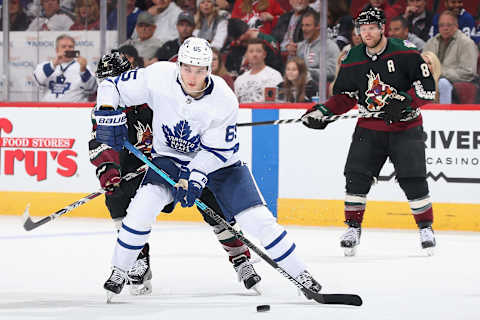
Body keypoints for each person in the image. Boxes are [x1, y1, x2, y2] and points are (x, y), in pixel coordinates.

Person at [94, 37, 321, 301]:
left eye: (199, 70)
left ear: (209, 69)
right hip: (168, 159)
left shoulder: (224, 98)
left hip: (221, 166)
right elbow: (111, 85)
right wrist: (107, 110)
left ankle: (301, 273)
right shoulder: (158, 76)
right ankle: (119, 269)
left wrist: (195, 178)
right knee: (140, 210)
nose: (192, 76)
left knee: (258, 221)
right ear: (178, 64)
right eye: (187, 68)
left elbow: (215, 152)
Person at [91, 49, 262, 296]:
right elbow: (101, 143)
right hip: (134, 169)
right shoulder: (104, 109)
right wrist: (108, 170)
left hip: (173, 161)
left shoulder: (152, 96)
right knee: (117, 198)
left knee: (211, 198)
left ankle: (240, 258)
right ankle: (136, 259)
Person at [301, 7, 437, 257]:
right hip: (369, 126)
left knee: (413, 177)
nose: (367, 33)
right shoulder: (353, 57)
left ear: (382, 28)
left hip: (405, 126)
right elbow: (345, 97)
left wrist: (405, 103)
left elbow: (427, 88)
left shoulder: (406, 51)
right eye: (362, 29)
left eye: (372, 28)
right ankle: (353, 227)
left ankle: (425, 228)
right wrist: (322, 112)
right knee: (356, 176)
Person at [423, 10, 478, 104]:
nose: (445, 28)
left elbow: (469, 72)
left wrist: (440, 73)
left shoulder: (467, 43)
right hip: (434, 79)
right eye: (441, 25)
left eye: (449, 25)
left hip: (457, 82)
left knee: (443, 83)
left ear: (456, 26)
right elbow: (423, 64)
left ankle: (445, 112)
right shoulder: (431, 42)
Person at [33, 34, 97, 102]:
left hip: (74, 110)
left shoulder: (83, 66)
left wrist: (84, 71)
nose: (67, 49)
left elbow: (92, 89)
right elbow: (38, 80)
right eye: (63, 47)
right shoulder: (46, 65)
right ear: (57, 50)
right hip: (49, 110)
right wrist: (54, 64)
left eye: (70, 46)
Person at [234, 38, 283, 102]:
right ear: (246, 55)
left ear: (264, 54)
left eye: (258, 51)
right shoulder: (239, 80)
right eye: (251, 51)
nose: (254, 54)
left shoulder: (274, 75)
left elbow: (278, 101)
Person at [296, 10, 340, 82]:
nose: (303, 29)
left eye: (307, 25)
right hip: (300, 87)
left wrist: (307, 72)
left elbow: (332, 72)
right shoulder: (300, 46)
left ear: (318, 26)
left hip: (321, 90)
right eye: (302, 25)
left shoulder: (330, 46)